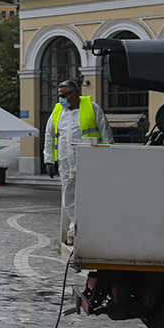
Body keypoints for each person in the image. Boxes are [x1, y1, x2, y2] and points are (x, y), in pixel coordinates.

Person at [43, 80, 113, 243]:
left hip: (90, 162)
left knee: (89, 196)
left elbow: (106, 135)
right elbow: (50, 137)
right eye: (59, 95)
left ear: (73, 94)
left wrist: (109, 158)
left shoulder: (92, 108)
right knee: (68, 197)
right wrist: (49, 160)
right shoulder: (58, 111)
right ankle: (76, 227)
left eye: (62, 95)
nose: (60, 98)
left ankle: (87, 227)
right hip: (66, 163)